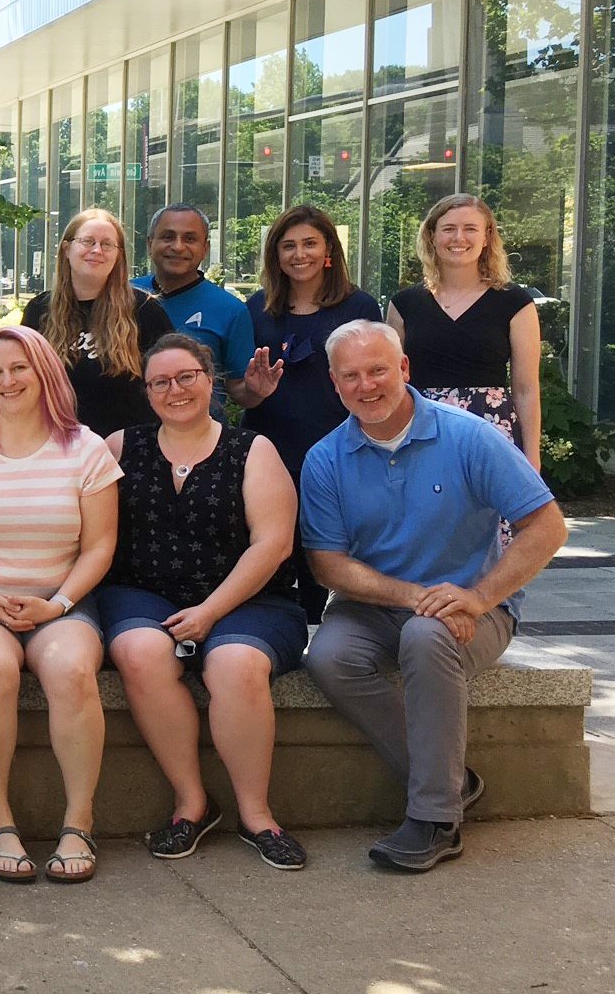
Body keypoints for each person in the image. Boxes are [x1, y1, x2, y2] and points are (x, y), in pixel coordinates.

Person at [301, 321, 566, 872]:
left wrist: (478, 596)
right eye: (351, 376)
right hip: (376, 607)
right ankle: (453, 780)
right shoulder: (325, 458)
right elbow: (327, 564)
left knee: (426, 637)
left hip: (474, 608)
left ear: (403, 369)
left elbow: (547, 527)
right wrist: (412, 594)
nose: (366, 385)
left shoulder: (469, 436)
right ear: (334, 383)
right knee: (328, 657)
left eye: (377, 370)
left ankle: (435, 818)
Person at [98, 333, 308, 870]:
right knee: (141, 654)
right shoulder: (121, 446)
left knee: (234, 664)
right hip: (144, 592)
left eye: (186, 377)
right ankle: (192, 803)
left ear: (210, 381)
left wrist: (211, 612)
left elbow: (273, 544)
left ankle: (257, 815)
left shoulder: (252, 449)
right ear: (146, 392)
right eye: (160, 382)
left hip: (249, 597)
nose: (175, 390)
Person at [0, 326, 118, 886]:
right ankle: (0, 823)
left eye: (19, 368)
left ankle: (78, 822)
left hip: (63, 605)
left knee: (69, 670)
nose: (7, 380)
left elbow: (100, 546)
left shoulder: (84, 448)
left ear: (44, 372)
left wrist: (58, 604)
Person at [235, 205, 384, 621]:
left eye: (309, 244)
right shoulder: (257, 309)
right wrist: (253, 390)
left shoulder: (358, 306)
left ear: (328, 251)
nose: (299, 254)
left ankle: (328, 643)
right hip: (269, 451)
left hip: (337, 451)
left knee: (325, 552)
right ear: (276, 255)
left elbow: (373, 384)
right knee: (272, 551)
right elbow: (245, 395)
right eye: (288, 246)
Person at [387, 194, 543, 470]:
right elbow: (393, 382)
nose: (459, 237)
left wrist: (532, 458)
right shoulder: (403, 305)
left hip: (492, 429)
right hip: (421, 431)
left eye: (470, 229)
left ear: (487, 237)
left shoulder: (515, 303)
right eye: (448, 229)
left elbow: (526, 389)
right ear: (432, 236)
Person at [20, 208, 174, 436]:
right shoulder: (39, 311)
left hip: (131, 451)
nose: (97, 250)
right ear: (66, 249)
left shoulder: (144, 310)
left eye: (107, 244)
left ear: (118, 255)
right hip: (58, 447)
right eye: (87, 241)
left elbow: (170, 380)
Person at [130, 204, 254, 394]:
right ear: (149, 243)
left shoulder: (231, 310)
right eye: (168, 237)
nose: (178, 246)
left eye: (190, 239)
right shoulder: (124, 296)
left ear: (205, 248)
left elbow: (238, 388)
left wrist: (258, 391)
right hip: (129, 421)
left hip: (198, 422)